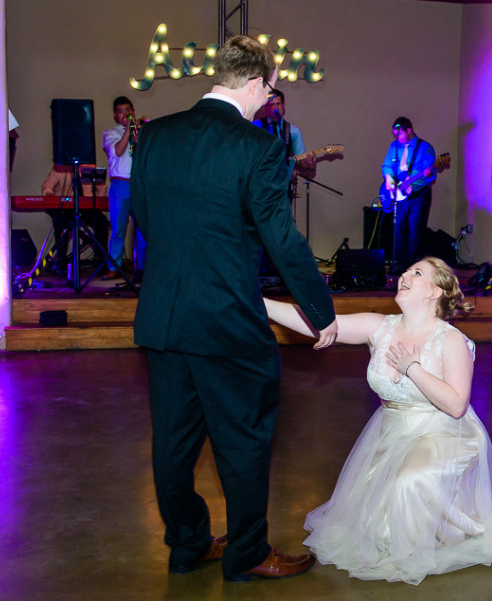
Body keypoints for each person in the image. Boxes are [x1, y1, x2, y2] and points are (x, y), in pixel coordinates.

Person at [131, 35, 338, 583]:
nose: (267, 102)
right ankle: (246, 554)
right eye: (268, 92)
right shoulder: (257, 147)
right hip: (226, 321)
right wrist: (321, 310)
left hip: (164, 316)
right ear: (253, 83)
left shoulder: (154, 136)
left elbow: (145, 218)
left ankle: (187, 545)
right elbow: (282, 239)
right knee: (243, 441)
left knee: (173, 445)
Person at [264, 256, 492, 585]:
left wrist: (413, 367)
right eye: (406, 270)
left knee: (406, 484)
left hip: (444, 432)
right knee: (372, 517)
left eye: (417, 273)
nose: (404, 276)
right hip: (395, 430)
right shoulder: (379, 327)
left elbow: (456, 405)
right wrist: (260, 301)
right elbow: (322, 323)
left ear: (435, 292)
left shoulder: (450, 340)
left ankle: (453, 526)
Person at [381, 116, 437, 272]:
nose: (396, 138)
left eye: (399, 134)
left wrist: (423, 175)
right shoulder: (394, 146)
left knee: (415, 231)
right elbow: (387, 166)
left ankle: (414, 268)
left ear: (409, 131)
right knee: (399, 230)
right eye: (394, 135)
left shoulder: (425, 147)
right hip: (400, 195)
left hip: (418, 195)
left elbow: (430, 175)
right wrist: (389, 178)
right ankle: (399, 267)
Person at [101, 96, 146, 282]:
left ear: (133, 112)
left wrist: (138, 134)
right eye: (121, 111)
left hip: (138, 183)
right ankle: (114, 266)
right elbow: (118, 151)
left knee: (142, 228)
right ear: (115, 115)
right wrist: (128, 131)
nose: (125, 114)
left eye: (128, 110)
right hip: (120, 184)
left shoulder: (142, 131)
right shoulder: (110, 133)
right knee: (118, 229)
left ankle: (143, 267)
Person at [39, 163, 109, 271]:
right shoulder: (60, 168)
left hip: (86, 207)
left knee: (102, 222)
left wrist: (98, 204)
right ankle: (61, 258)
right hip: (65, 207)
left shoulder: (90, 168)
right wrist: (49, 194)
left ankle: (100, 257)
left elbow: (101, 186)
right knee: (60, 222)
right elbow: (48, 184)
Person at [253, 88, 317, 194]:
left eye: (278, 104)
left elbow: (300, 159)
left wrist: (310, 164)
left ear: (283, 105)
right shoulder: (255, 126)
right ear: (266, 106)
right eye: (272, 104)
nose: (275, 108)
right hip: (259, 184)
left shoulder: (293, 131)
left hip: (282, 187)